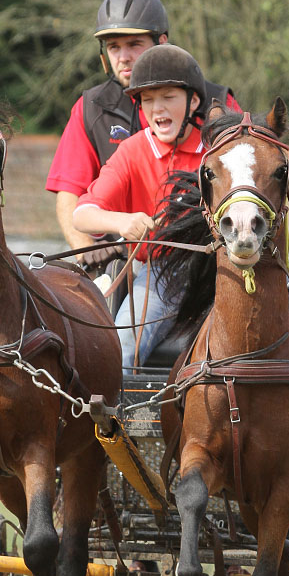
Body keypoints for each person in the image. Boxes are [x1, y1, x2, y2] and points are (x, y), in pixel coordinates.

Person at [45, 0, 240, 263]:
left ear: (162, 42)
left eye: (134, 44)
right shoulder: (91, 107)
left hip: (210, 257)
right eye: (113, 47)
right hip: (120, 257)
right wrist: (86, 248)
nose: (123, 56)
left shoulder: (217, 101)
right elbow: (70, 193)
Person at [72, 43, 210, 368]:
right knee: (120, 347)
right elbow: (82, 215)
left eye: (168, 97)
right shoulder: (133, 150)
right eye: (148, 100)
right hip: (161, 274)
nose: (157, 108)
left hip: (221, 270)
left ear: (193, 101)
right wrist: (122, 222)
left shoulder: (216, 150)